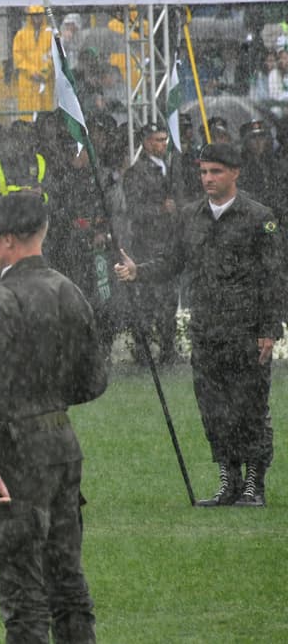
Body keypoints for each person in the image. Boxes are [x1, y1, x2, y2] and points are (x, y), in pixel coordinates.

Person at [116, 142, 284, 507]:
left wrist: (269, 329)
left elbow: (273, 278)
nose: (208, 178)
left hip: (245, 330)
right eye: (204, 171)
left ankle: (254, 483)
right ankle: (228, 481)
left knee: (250, 408)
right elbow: (172, 261)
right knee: (214, 408)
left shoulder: (259, 218)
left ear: (235, 172)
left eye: (216, 171)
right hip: (207, 330)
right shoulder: (190, 216)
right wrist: (137, 272)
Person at [0, 192, 104, 644]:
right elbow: (94, 380)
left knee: (22, 584)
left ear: (9, 240)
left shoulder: (4, 299)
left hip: (18, 451)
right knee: (67, 575)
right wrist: (51, 398)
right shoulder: (69, 289)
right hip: (62, 444)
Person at [122, 122, 183, 368]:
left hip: (169, 241)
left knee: (169, 298)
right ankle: (143, 350)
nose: (162, 144)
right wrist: (160, 210)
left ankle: (168, 348)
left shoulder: (170, 168)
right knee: (147, 298)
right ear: (146, 142)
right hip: (147, 243)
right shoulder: (137, 173)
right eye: (157, 140)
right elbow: (134, 210)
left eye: (164, 139)